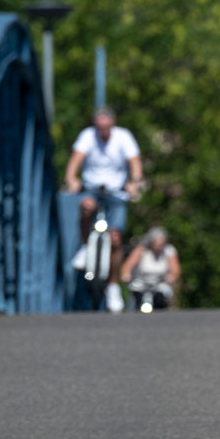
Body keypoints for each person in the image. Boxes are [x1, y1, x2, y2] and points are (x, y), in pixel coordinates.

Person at [64, 107, 143, 313]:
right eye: (99, 127)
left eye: (106, 127)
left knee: (116, 238)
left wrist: (134, 182)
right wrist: (72, 179)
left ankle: (113, 285)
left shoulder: (123, 137)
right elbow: (75, 161)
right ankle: (84, 246)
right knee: (85, 206)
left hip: (116, 191)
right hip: (92, 187)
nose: (102, 131)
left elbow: (135, 163)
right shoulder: (87, 137)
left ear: (112, 125)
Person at [120, 226, 181, 311]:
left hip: (159, 283)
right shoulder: (141, 250)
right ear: (151, 242)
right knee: (136, 299)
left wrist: (172, 277)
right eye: (157, 243)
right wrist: (126, 275)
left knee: (161, 299)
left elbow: (175, 270)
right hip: (140, 283)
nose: (159, 246)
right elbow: (128, 265)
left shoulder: (169, 251)